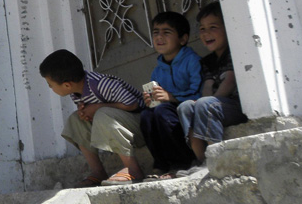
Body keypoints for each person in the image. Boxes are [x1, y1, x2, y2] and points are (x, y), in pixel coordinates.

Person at [39, 49, 145, 187]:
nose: (50, 88)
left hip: (142, 125)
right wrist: (85, 113)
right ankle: (98, 172)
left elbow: (133, 104)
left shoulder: (101, 84)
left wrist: (98, 107)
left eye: (50, 85)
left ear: (67, 85)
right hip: (119, 123)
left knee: (102, 113)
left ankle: (133, 170)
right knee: (76, 120)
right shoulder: (75, 92)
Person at [176, 1, 247, 173]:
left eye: (213, 27)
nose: (206, 33)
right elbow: (207, 86)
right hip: (215, 105)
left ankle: (216, 158)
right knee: (186, 107)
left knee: (205, 104)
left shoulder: (234, 53)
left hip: (235, 106)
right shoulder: (207, 61)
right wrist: (200, 103)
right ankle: (203, 160)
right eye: (202, 29)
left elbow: (229, 82)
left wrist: (207, 102)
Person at [139, 11, 202, 178]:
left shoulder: (193, 61)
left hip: (189, 113)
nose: (159, 37)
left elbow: (200, 92)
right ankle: (161, 165)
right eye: (155, 32)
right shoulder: (157, 70)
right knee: (147, 115)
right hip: (167, 113)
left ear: (182, 39)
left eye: (166, 32)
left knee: (162, 111)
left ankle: (182, 163)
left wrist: (173, 98)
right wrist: (150, 100)